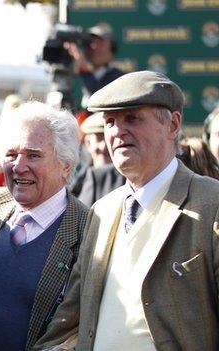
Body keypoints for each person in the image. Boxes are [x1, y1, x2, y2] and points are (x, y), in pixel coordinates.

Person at [35, 71, 219, 350]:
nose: (117, 131)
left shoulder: (211, 204)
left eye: (132, 119)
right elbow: (71, 318)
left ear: (174, 125)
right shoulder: (102, 211)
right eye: (109, 122)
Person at [0, 101, 88, 351]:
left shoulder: (89, 232)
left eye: (33, 155)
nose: (18, 166)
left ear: (66, 165)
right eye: (11, 154)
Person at [65, 25, 124, 107]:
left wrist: (85, 70)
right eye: (90, 43)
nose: (94, 47)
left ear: (112, 51)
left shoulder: (119, 79)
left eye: (100, 43)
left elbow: (99, 101)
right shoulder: (73, 75)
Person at [77, 112, 126, 206]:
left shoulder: (129, 181)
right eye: (99, 140)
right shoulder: (75, 179)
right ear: (88, 143)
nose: (104, 147)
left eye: (109, 140)